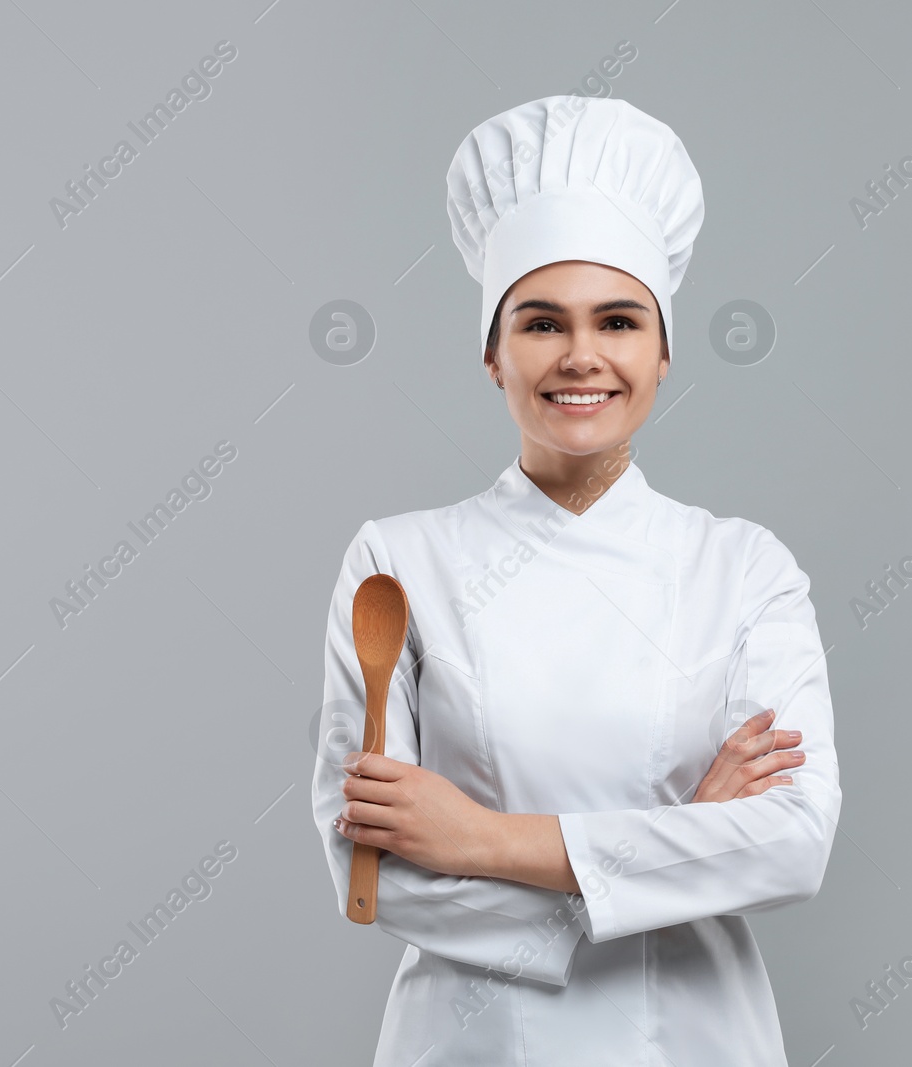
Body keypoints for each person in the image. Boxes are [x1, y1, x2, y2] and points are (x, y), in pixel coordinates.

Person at [310, 95, 841, 1066]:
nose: (581, 355)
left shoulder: (742, 566)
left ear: (663, 350)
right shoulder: (396, 562)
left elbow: (791, 838)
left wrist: (475, 836)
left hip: (689, 1036)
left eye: (619, 321)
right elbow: (369, 871)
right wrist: (679, 849)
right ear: (492, 352)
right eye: (542, 322)